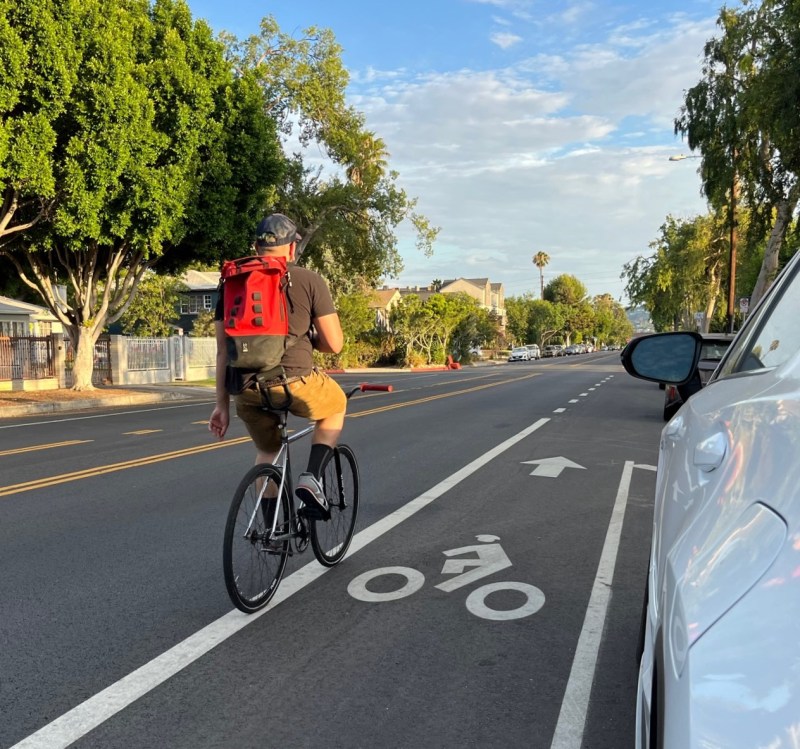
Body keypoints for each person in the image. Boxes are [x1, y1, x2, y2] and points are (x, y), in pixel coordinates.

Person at [208, 213, 346, 517]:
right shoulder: (308, 280)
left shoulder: (232, 281)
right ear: (292, 249)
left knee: (267, 452)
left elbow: (222, 351)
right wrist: (313, 342)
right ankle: (311, 478)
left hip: (245, 387)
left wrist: (221, 406)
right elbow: (334, 343)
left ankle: (271, 529)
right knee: (335, 407)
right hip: (293, 382)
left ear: (256, 248)